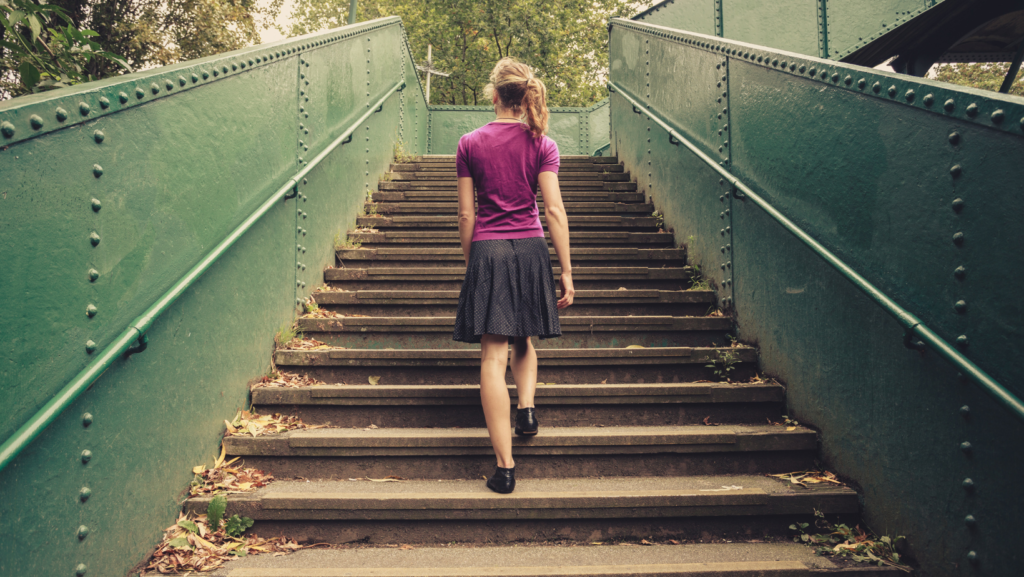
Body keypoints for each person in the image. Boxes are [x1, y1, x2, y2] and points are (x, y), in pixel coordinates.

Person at [452, 57, 575, 494]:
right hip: (530, 246)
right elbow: (554, 210)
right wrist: (566, 269)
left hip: (489, 248)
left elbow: (467, 213)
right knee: (524, 337)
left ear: (494, 95)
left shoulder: (469, 143)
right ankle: (526, 407)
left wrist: (474, 263)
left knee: (492, 357)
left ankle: (505, 469)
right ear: (525, 98)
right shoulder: (543, 143)